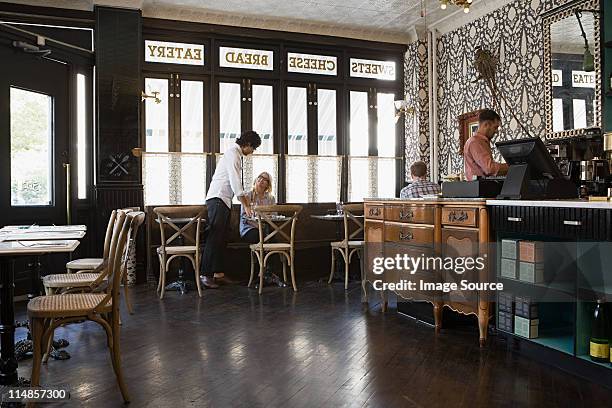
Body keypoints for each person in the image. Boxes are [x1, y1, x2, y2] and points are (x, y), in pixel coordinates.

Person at [201, 130, 261, 288]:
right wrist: (246, 205)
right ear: (247, 144)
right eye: (253, 149)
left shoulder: (235, 154)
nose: (252, 152)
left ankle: (218, 274)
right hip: (218, 199)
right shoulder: (233, 154)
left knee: (222, 238)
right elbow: (236, 183)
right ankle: (205, 275)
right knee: (214, 237)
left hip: (224, 200)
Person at [463, 109, 509, 181]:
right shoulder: (475, 142)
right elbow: (489, 168)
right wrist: (511, 166)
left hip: (481, 188)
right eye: (495, 127)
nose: (496, 131)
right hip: (479, 190)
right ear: (486, 124)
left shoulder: (480, 142)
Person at [240, 171, 276, 244]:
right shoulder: (247, 196)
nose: (262, 180)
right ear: (256, 179)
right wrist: (259, 225)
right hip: (249, 228)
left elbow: (274, 215)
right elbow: (244, 217)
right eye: (260, 177)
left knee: (273, 238)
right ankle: (261, 255)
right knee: (258, 235)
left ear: (268, 185)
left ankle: (272, 255)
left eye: (265, 179)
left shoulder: (271, 198)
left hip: (266, 227)